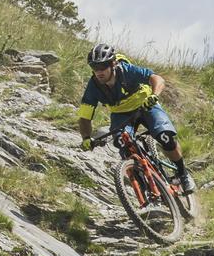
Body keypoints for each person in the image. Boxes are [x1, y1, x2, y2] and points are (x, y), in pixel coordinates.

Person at [76, 43, 195, 194]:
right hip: (121, 114)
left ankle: (183, 173)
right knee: (122, 145)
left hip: (145, 105)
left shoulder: (126, 71)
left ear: (112, 64)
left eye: (103, 66)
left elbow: (156, 79)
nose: (99, 71)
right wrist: (86, 137)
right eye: (94, 67)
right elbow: (85, 117)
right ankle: (146, 188)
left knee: (165, 137)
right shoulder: (93, 86)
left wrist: (154, 96)